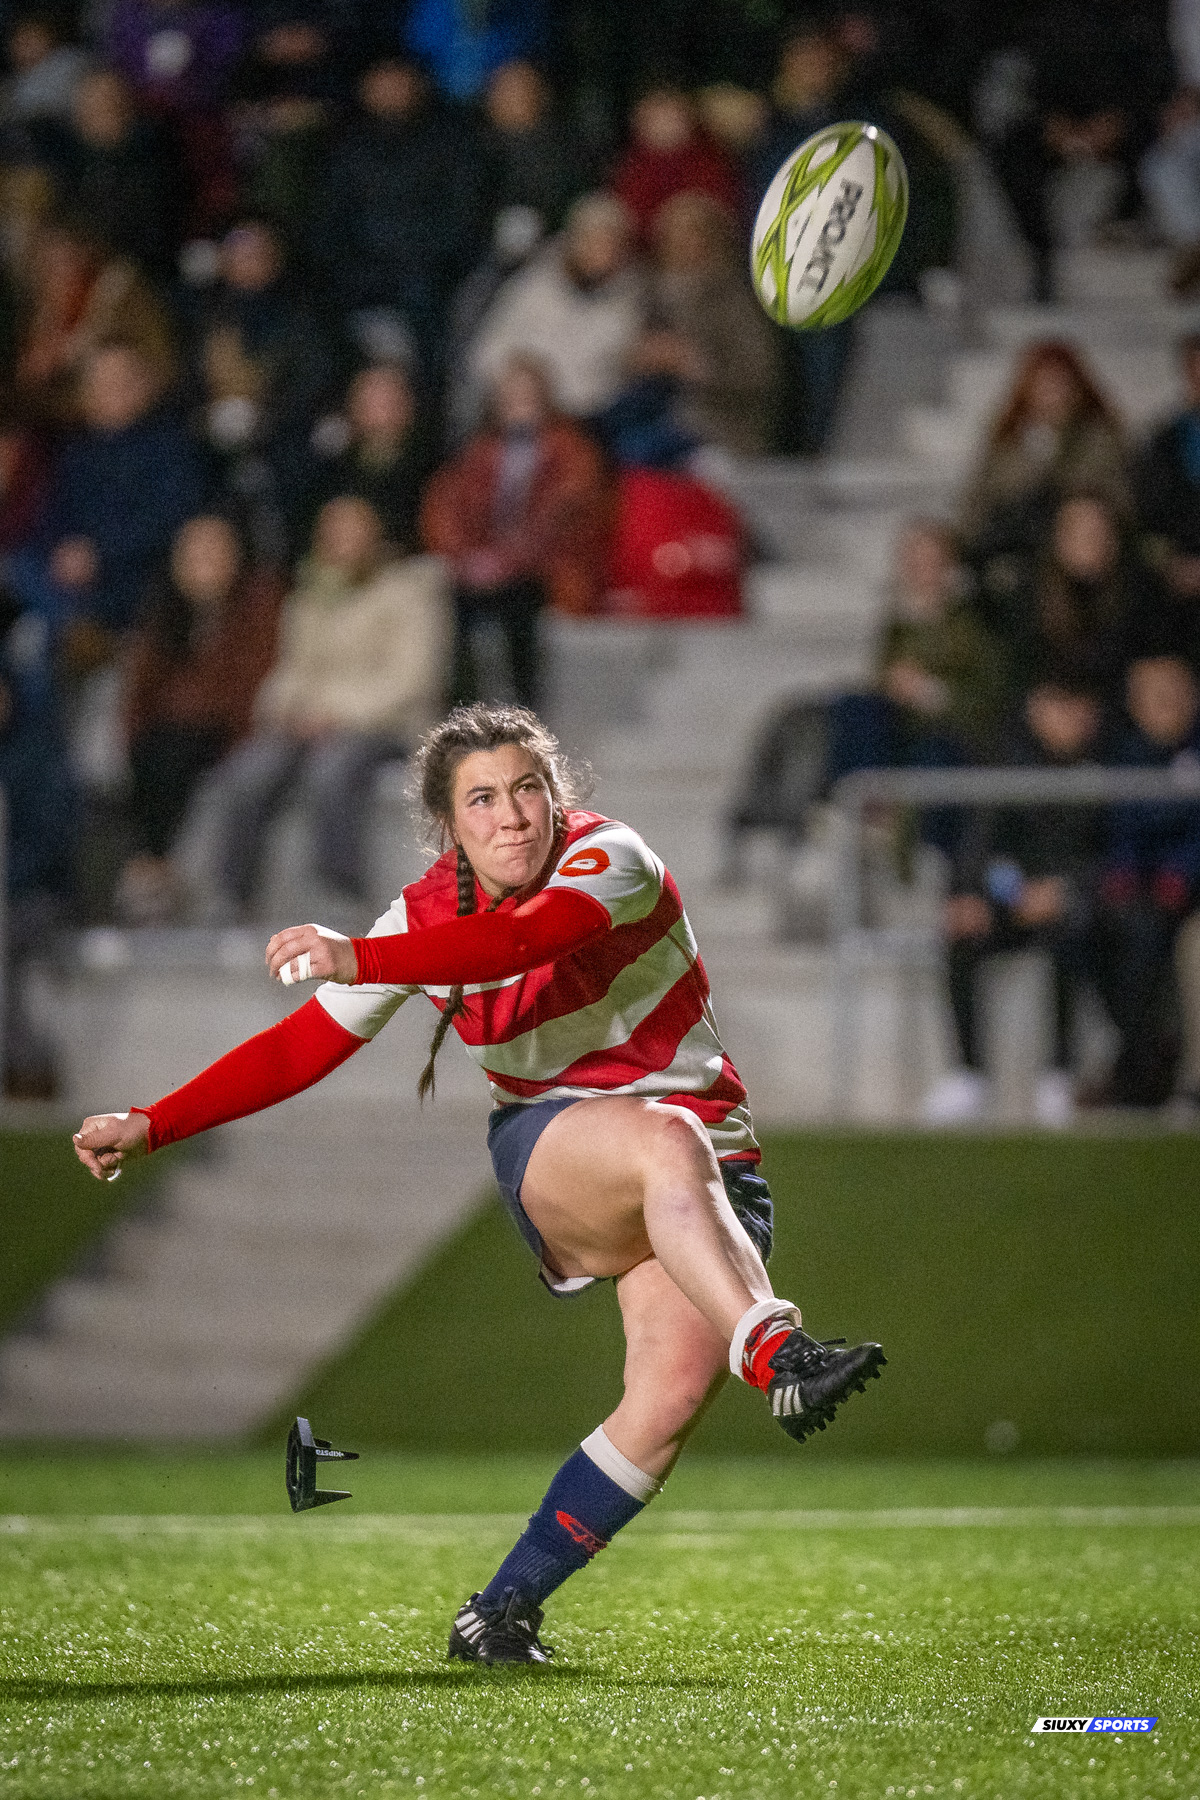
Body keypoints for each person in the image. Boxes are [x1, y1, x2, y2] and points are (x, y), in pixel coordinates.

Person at [73, 699, 886, 1663]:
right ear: (448, 824)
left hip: (714, 1169)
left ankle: (499, 1613)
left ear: (556, 796)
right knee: (666, 1136)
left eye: (527, 789)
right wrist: (153, 1122)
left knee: (666, 1399)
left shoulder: (610, 858)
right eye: (483, 800)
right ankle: (778, 1350)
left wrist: (358, 954)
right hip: (562, 1155)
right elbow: (299, 1049)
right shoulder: (423, 918)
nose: (512, 816)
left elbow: (520, 943)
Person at [209, 495, 450, 912]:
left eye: (353, 530)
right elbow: (290, 669)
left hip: (386, 725)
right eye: (333, 531)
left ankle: (340, 893)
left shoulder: (409, 592)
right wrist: (288, 708)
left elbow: (412, 678)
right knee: (248, 771)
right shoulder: (309, 596)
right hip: (310, 723)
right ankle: (234, 897)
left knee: (331, 772)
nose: (342, 541)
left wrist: (335, 712)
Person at [923, 676, 1108, 1127]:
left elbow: (1109, 856)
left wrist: (1064, 890)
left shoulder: (1107, 774)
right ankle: (969, 1073)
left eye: (1074, 707)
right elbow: (983, 847)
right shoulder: (1008, 767)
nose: (1065, 718)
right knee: (962, 935)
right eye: (1055, 705)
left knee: (1070, 935)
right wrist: (1001, 894)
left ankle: (1058, 1074)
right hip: (1013, 902)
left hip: (1076, 906)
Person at [116, 514, 283, 922]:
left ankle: (157, 865)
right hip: (170, 731)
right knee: (150, 750)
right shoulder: (165, 613)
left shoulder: (257, 606)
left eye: (214, 553)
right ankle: (152, 866)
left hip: (229, 727)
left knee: (176, 749)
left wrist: (189, 705)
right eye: (193, 555)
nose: (203, 564)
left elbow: (247, 683)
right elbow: (140, 689)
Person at [422, 356, 610, 707]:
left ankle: (527, 706)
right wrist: (464, 557)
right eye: (510, 396)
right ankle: (462, 708)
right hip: (483, 567)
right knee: (450, 606)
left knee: (521, 607)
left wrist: (508, 559)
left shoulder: (571, 450)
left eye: (527, 395)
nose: (518, 404)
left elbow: (565, 515)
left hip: (545, 567)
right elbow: (447, 504)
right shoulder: (480, 451)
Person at [1090, 653, 1200, 1107]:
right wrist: (1124, 872)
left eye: (1174, 695)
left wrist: (1182, 872)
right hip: (1142, 892)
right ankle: (1142, 1060)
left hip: (1187, 891)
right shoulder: (1126, 754)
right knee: (1089, 933)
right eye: (1154, 698)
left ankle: (1149, 1070)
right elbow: (1120, 829)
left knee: (1157, 940)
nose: (1165, 706)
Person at [466, 193, 645, 423]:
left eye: (609, 243)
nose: (600, 252)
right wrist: (521, 379)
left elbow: (608, 382)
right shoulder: (535, 284)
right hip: (516, 411)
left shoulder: (631, 303)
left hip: (583, 421)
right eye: (591, 240)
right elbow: (487, 352)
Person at [959, 341, 1128, 559]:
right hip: (1012, 547)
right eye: (1042, 383)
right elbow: (978, 499)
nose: (1051, 392)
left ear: (1077, 388)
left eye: (1059, 383)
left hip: (1081, 548)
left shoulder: (1099, 438)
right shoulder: (1006, 440)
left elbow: (1113, 495)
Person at [304, 361, 430, 554]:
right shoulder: (331, 467)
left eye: (388, 398)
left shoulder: (428, 467)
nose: (381, 408)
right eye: (371, 398)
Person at [610, 82, 742, 245]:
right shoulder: (632, 167)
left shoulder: (710, 158)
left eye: (670, 112)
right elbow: (631, 220)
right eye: (656, 114)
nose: (664, 121)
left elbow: (726, 212)